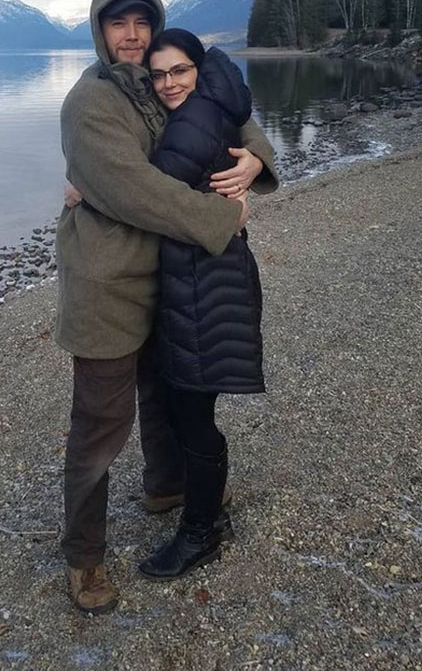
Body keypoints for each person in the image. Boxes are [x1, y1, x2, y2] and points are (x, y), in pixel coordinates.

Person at [55, 0, 278, 614]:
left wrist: (255, 162)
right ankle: (84, 556)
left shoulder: (160, 81)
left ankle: (166, 487)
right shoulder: (90, 104)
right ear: (99, 31)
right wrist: (219, 218)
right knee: (100, 425)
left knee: (164, 393)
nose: (131, 35)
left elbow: (229, 113)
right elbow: (134, 190)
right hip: (105, 284)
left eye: (141, 22)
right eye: (117, 24)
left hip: (167, 275)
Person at [136, 29, 265, 580]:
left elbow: (145, 193)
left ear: (199, 69)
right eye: (159, 74)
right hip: (206, 277)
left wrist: (82, 188)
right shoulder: (213, 107)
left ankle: (200, 532)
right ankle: (207, 511)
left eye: (178, 71)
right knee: (190, 405)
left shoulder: (194, 121)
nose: (168, 84)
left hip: (203, 284)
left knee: (191, 411)